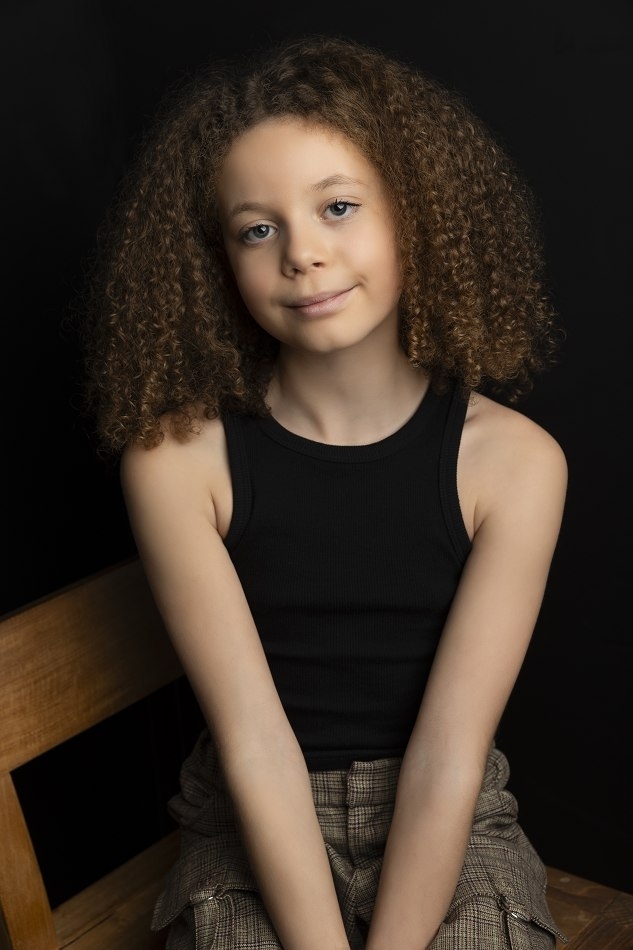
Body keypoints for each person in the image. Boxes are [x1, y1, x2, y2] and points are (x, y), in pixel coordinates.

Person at [81, 33, 569, 950]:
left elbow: (449, 756)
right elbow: (254, 746)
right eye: (256, 229)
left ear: (413, 214)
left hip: (450, 823)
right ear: (217, 260)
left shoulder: (514, 463)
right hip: (248, 819)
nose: (301, 253)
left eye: (337, 206)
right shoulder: (176, 463)